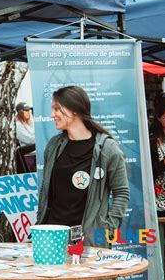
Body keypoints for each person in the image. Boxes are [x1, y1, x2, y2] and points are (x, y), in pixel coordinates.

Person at [36, 85, 130, 247]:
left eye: (57, 109)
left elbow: (121, 192)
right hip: (52, 237)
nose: (52, 115)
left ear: (74, 110)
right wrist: (40, 222)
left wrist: (108, 228)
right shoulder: (54, 146)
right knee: (50, 274)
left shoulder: (107, 149)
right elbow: (46, 188)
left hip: (89, 240)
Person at [149, 96, 165, 280]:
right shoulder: (153, 141)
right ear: (158, 117)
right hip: (162, 205)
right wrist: (163, 164)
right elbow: (147, 172)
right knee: (163, 250)